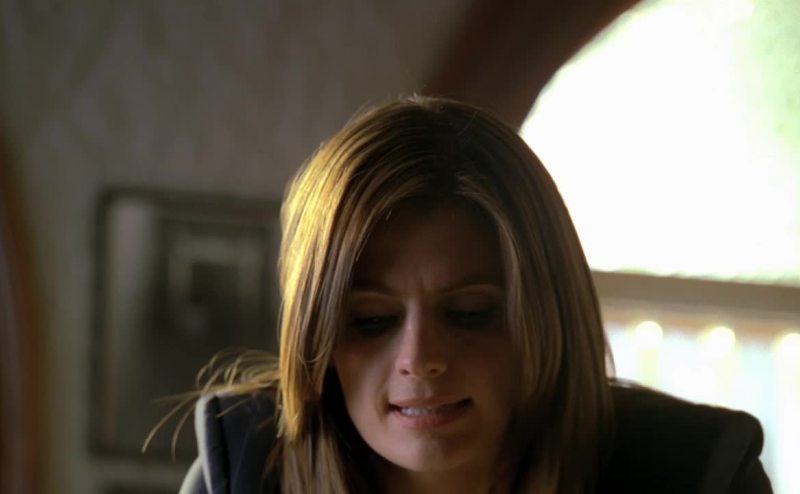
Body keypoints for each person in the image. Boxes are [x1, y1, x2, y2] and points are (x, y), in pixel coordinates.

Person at [178, 97, 771, 493]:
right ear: (317, 339)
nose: (420, 358)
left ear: (548, 317)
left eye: (470, 313)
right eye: (372, 319)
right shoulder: (242, 472)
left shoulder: (697, 475)